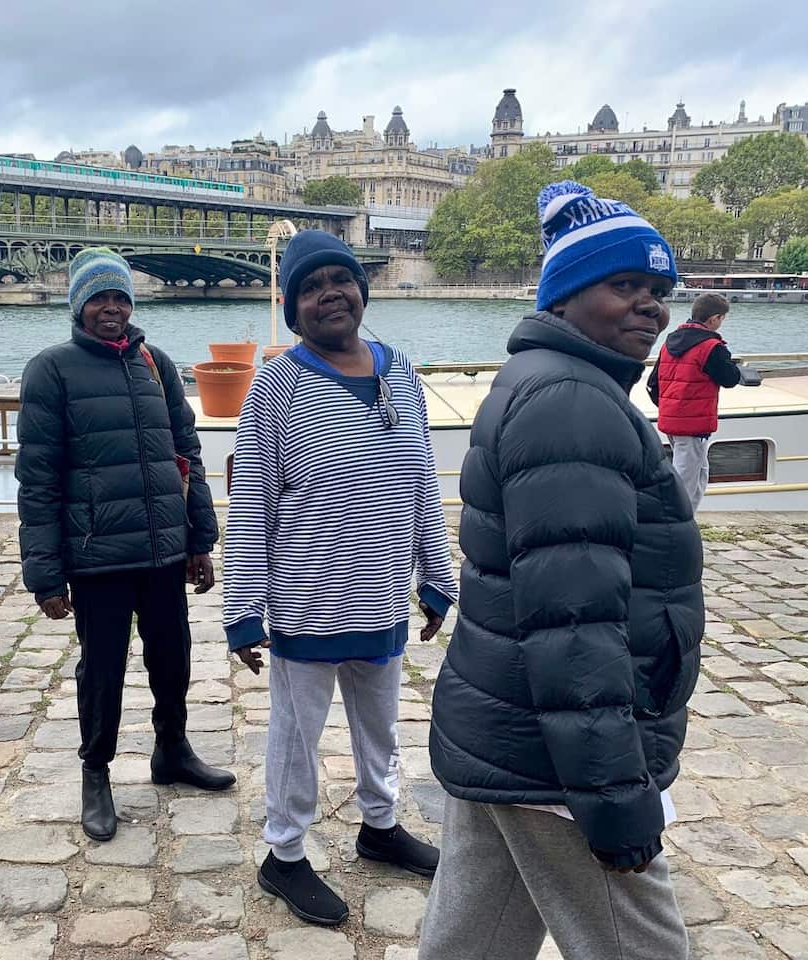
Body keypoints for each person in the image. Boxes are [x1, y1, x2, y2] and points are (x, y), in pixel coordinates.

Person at [419, 181, 703, 960]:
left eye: (658, 291)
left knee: (472, 943)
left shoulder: (546, 381)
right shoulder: (573, 403)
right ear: (566, 295)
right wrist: (614, 797)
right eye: (624, 285)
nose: (650, 308)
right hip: (557, 759)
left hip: (508, 729)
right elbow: (574, 625)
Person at [224, 230, 457, 927]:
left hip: (382, 594)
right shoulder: (278, 385)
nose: (330, 294)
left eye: (341, 279)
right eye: (310, 287)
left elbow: (421, 479)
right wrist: (243, 610)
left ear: (362, 290)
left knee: (380, 728)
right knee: (296, 738)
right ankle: (284, 853)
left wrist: (436, 575)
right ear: (294, 309)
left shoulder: (400, 371)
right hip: (307, 603)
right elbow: (253, 505)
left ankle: (379, 825)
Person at [16, 247, 233, 843]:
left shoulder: (156, 365)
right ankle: (96, 771)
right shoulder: (52, 370)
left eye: (119, 297)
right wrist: (45, 573)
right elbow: (38, 479)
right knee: (103, 671)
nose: (111, 308)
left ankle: (173, 749)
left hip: (163, 550)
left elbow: (185, 455)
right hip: (98, 556)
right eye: (98, 298)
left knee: (174, 658)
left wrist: (200, 539)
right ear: (78, 306)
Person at [647, 292, 743, 511]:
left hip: (672, 418)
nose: (721, 323)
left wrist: (670, 407)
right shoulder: (711, 347)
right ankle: (674, 520)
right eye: (722, 318)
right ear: (714, 318)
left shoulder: (669, 343)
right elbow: (729, 379)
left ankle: (687, 516)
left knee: (699, 472)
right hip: (693, 423)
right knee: (686, 478)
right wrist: (736, 369)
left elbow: (654, 383)